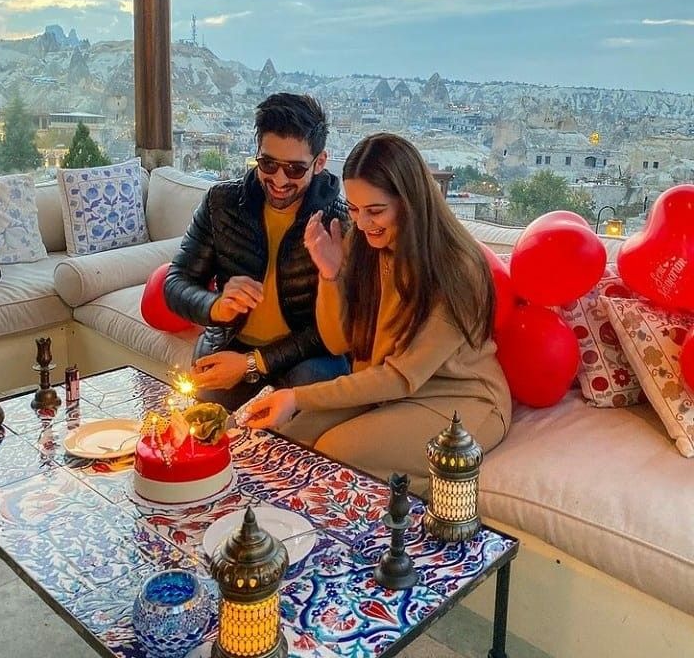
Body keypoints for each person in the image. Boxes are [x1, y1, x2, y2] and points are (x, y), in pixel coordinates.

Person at [245, 132, 512, 496]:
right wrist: (329, 274)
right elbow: (338, 341)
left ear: (410, 202)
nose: (364, 222)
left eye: (375, 210)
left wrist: (298, 397)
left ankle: (427, 506)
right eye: (354, 209)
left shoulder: (456, 269)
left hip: (460, 401)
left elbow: (401, 378)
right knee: (284, 440)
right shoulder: (364, 243)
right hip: (388, 391)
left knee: (336, 454)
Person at [164, 93, 351, 410]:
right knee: (199, 435)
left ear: (320, 163)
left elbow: (335, 330)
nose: (279, 179)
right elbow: (176, 283)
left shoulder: (338, 222)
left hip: (306, 361)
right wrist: (216, 306)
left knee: (310, 378)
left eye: (294, 169)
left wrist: (254, 363)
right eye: (268, 164)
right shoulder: (221, 203)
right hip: (229, 347)